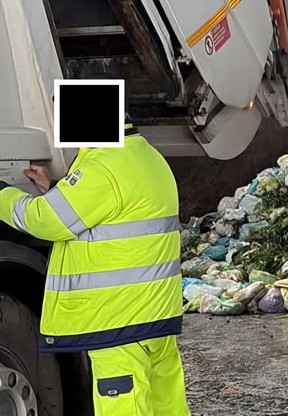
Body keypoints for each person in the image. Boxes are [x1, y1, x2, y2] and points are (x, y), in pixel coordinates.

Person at [0, 118, 190, 416]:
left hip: (118, 323)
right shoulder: (148, 158)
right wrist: (54, 189)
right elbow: (112, 218)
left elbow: (45, 220)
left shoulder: (105, 166)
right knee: (167, 405)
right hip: (155, 317)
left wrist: (2, 196)